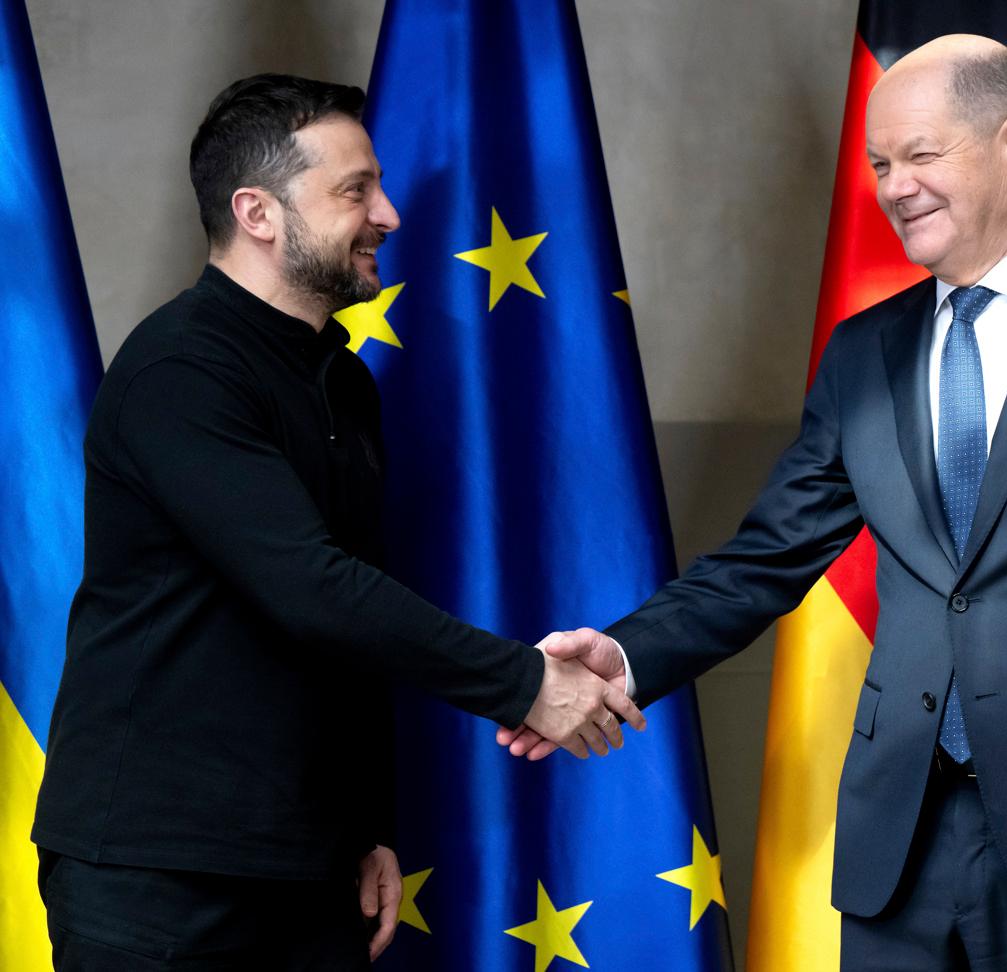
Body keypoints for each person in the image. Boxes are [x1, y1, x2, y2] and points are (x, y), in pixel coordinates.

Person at [499, 35, 1007, 970]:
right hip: (897, 842)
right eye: (879, 163)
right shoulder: (862, 353)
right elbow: (765, 559)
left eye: (920, 155)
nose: (894, 185)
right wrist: (624, 653)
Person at [31, 74, 642, 971]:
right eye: (355, 190)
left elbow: (353, 626)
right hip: (153, 870)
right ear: (258, 212)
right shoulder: (179, 370)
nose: (388, 215)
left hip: (310, 862)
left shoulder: (344, 383)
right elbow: (311, 588)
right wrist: (524, 683)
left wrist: (369, 827)